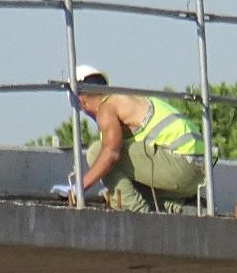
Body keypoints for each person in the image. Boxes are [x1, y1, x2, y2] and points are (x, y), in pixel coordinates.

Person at [72, 64, 205, 212]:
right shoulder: (129, 98)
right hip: (199, 173)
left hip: (181, 165)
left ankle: (136, 211)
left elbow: (110, 154)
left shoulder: (108, 107)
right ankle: (181, 206)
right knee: (123, 186)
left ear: (81, 100)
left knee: (97, 152)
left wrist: (79, 187)